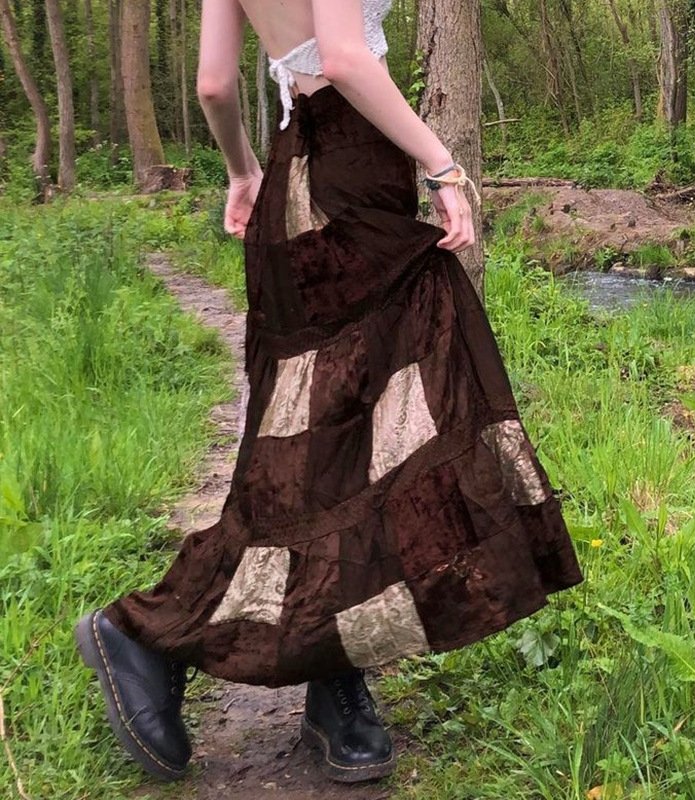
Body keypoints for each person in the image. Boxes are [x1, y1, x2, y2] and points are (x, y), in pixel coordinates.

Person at [75, 0, 583, 786]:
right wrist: (441, 164)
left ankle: (332, 674)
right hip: (352, 177)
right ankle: (150, 633)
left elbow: (214, 85)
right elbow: (344, 57)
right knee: (372, 414)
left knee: (330, 437)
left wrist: (242, 170)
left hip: (293, 179)